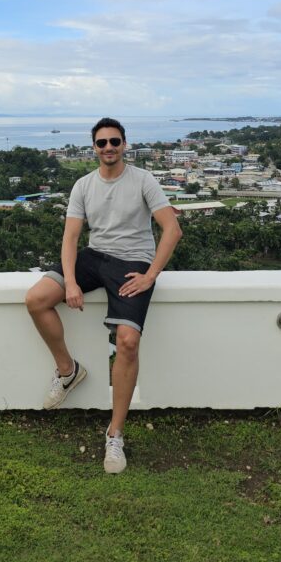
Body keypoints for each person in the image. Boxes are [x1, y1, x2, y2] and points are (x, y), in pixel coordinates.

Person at [25, 117, 182, 473]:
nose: (108, 148)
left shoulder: (143, 180)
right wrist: (72, 280)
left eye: (114, 141)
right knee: (36, 299)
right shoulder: (83, 185)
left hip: (133, 262)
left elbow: (172, 229)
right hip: (94, 258)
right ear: (93, 148)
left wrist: (150, 275)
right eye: (102, 143)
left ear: (125, 144)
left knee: (127, 341)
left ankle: (115, 433)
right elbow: (70, 239)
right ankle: (68, 370)